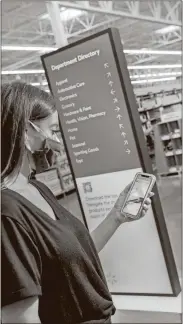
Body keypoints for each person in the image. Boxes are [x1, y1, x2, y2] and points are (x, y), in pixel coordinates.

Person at [1, 82, 153, 324]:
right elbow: (20, 318)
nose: (55, 141)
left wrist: (116, 216)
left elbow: (73, 257)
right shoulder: (7, 212)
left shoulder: (37, 188)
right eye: (51, 130)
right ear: (25, 132)